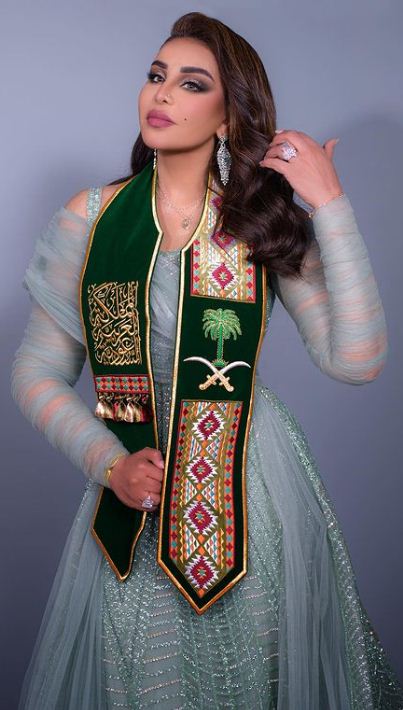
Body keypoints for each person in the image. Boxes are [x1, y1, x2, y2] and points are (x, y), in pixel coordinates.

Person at [11, 10, 403, 710]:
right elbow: (35, 373)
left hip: (249, 492)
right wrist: (108, 463)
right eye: (156, 75)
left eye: (191, 84)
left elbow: (356, 360)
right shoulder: (93, 219)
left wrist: (329, 204)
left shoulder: (258, 222)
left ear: (228, 117)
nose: (162, 94)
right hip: (135, 489)